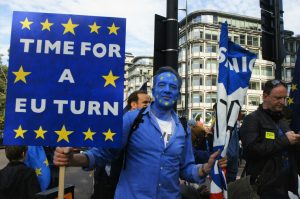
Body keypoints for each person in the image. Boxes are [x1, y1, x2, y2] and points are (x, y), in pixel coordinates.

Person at [54, 66, 227, 199]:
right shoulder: (132, 119)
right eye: (162, 85)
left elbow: (185, 169)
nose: (167, 90)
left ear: (178, 95)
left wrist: (204, 168)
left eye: (172, 87)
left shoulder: (183, 129)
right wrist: (73, 159)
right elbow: (102, 153)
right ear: (153, 91)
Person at [240, 79, 300, 199]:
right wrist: (285, 141)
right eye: (278, 98)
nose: (282, 102)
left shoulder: (282, 120)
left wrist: (296, 141)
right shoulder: (252, 119)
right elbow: (251, 151)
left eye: (284, 98)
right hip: (264, 187)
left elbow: (288, 148)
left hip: (286, 185)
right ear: (265, 96)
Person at [91, 90, 151, 199]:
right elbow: (104, 152)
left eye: (150, 102)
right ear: (133, 104)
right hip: (110, 183)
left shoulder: (144, 124)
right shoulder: (117, 122)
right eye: (145, 103)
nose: (149, 106)